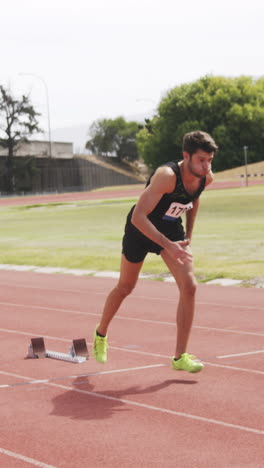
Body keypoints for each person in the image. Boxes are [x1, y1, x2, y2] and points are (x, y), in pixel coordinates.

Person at [93, 130, 218, 373]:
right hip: (140, 229)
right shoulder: (166, 176)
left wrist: (188, 234)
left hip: (171, 229)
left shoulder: (206, 177)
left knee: (190, 286)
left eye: (210, 161)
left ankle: (180, 357)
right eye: (202, 160)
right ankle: (100, 333)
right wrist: (166, 245)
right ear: (186, 156)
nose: (206, 166)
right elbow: (139, 217)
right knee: (126, 287)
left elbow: (194, 200)